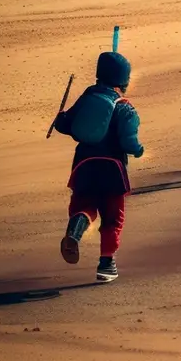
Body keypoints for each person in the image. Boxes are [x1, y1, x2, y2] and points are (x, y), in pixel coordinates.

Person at [53, 50, 144, 282]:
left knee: (85, 205)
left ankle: (76, 227)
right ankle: (106, 263)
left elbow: (67, 126)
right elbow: (129, 142)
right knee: (113, 217)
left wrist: (61, 117)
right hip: (113, 169)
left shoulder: (88, 97)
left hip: (84, 164)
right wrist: (138, 150)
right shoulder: (125, 107)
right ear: (124, 79)